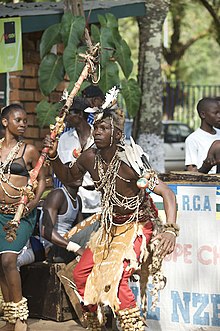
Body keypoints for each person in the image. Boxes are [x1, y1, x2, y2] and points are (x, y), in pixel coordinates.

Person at [44, 87, 178, 331]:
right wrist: (54, 157)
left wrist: (169, 230)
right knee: (81, 275)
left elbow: (167, 193)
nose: (97, 132)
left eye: (103, 128)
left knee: (118, 280)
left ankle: (132, 327)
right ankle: (96, 323)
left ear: (117, 134)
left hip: (137, 224)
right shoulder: (89, 157)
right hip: (109, 225)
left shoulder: (131, 161)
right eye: (96, 127)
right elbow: (71, 179)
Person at [0, 104, 45, 331]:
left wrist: (33, 204)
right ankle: (9, 318)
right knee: (0, 263)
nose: (23, 124)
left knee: (8, 259)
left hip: (20, 216)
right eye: (18, 120)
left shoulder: (29, 150)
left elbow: (43, 180)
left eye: (25, 121)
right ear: (5, 122)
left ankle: (21, 319)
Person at [57, 96, 102, 219]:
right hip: (76, 197)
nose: (66, 118)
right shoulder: (64, 139)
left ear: (80, 114)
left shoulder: (99, 137)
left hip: (100, 197)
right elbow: (61, 169)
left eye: (69, 114)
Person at [40, 183, 85, 262]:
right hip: (54, 246)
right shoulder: (58, 195)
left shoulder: (78, 199)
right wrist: (76, 248)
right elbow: (46, 231)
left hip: (68, 241)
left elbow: (82, 228)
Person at [185, 97, 220, 174]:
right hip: (208, 183)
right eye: (215, 113)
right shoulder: (193, 139)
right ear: (203, 114)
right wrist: (206, 166)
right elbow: (192, 173)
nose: (219, 116)